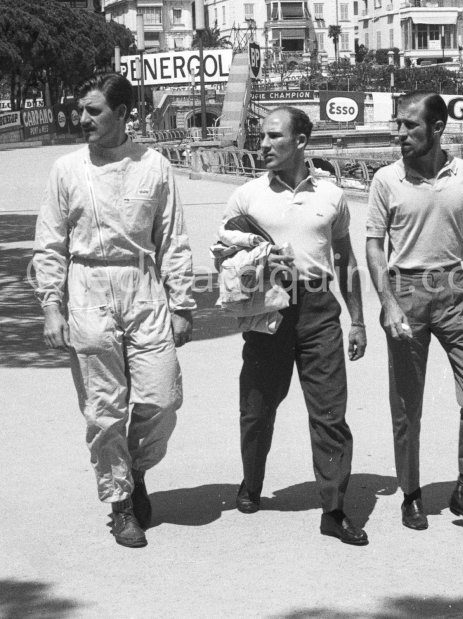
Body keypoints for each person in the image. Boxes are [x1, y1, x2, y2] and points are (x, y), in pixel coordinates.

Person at [33, 73, 195, 548]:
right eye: (81, 109)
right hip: (87, 288)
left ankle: (136, 470)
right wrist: (51, 305)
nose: (82, 119)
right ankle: (121, 502)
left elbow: (174, 239)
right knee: (104, 407)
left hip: (143, 287)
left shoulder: (154, 166)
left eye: (94, 111)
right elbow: (50, 243)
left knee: (162, 398)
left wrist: (182, 303)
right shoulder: (66, 170)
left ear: (123, 114)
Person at [221, 106, 369, 546]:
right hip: (268, 311)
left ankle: (334, 509)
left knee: (329, 413)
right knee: (256, 409)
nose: (262, 144)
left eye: (272, 137)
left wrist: (357, 319)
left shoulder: (330, 195)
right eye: (262, 137)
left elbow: (344, 258)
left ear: (301, 141)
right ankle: (251, 482)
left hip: (319, 311)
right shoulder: (246, 196)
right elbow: (221, 255)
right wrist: (258, 259)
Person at [366, 92, 463, 537]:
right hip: (406, 291)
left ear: (438, 127)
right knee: (407, 406)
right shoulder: (386, 179)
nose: (399, 134)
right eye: (398, 125)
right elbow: (373, 244)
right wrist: (387, 303)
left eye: (409, 126)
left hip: (455, 291)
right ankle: (410, 494)